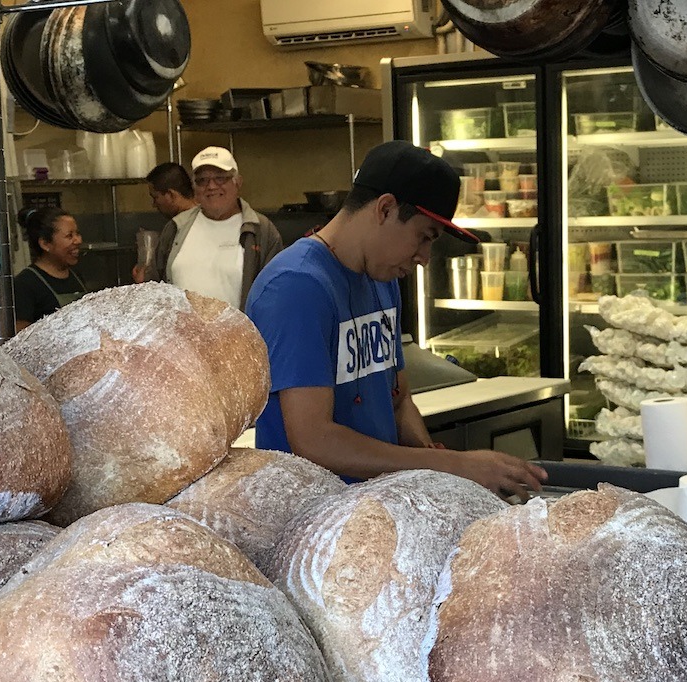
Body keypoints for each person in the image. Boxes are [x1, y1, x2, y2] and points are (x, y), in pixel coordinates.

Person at [246, 140, 547, 499]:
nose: (424, 257)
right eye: (423, 237)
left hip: (377, 508)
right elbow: (314, 440)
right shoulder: (296, 287)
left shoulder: (381, 279)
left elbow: (399, 398)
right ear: (385, 208)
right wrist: (455, 465)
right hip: (311, 521)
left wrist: (436, 464)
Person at [135, 146, 283, 310]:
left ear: (238, 182)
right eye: (202, 180)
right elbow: (155, 288)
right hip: (184, 335)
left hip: (238, 335)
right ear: (194, 188)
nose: (211, 186)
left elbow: (277, 295)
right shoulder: (176, 228)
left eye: (221, 178)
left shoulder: (261, 230)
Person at [12, 206, 87, 332]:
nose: (78, 240)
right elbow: (20, 340)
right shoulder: (25, 284)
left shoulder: (76, 276)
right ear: (45, 244)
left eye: (77, 234)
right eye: (69, 236)